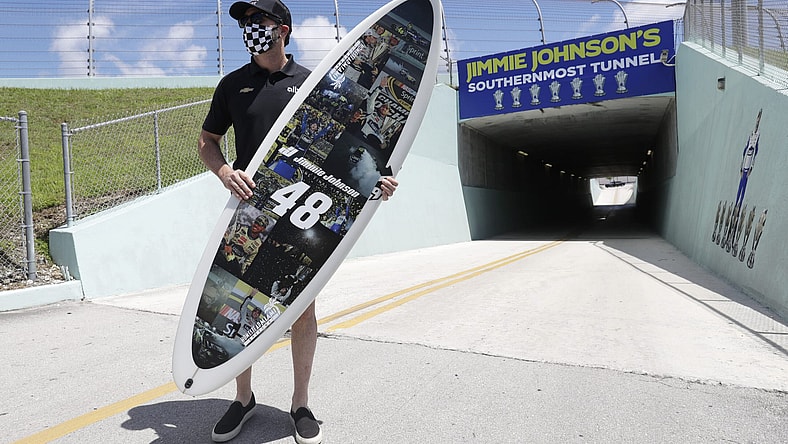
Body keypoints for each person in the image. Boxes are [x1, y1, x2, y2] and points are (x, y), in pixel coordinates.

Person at [197, 1, 399, 443]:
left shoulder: (313, 82)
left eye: (259, 21)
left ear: (283, 29)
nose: (250, 28)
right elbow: (208, 140)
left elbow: (352, 143)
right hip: (252, 209)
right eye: (245, 23)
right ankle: (243, 398)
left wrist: (376, 181)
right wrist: (224, 171)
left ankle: (300, 403)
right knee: (237, 297)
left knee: (300, 307)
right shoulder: (232, 85)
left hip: (305, 208)